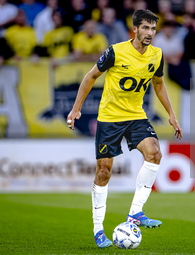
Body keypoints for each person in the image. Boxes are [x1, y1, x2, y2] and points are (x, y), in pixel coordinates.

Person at [66, 9, 182, 248]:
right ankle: (99, 230)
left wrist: (171, 113)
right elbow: (90, 76)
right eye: (146, 28)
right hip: (109, 118)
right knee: (104, 172)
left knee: (155, 153)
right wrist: (75, 109)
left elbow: (159, 84)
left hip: (136, 116)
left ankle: (135, 213)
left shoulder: (157, 55)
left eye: (153, 29)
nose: (150, 33)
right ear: (135, 29)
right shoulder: (115, 51)